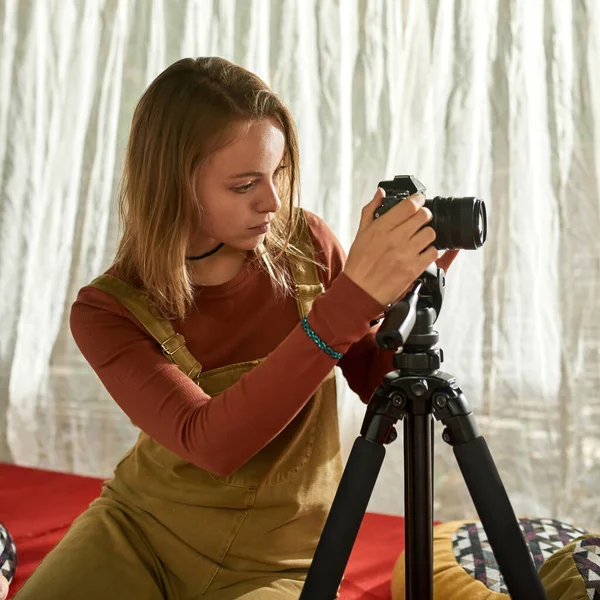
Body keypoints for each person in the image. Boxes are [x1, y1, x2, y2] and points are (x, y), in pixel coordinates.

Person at [13, 57, 458, 599]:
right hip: (138, 534)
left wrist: (409, 294)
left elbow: (373, 380)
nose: (272, 201)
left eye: (277, 174)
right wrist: (351, 300)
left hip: (280, 563)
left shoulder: (308, 247)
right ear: (174, 184)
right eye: (245, 184)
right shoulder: (107, 310)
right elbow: (212, 443)